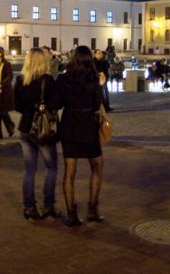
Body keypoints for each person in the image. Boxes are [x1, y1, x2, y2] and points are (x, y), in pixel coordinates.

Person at [55, 45, 105, 226]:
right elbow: (97, 104)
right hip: (88, 125)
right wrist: (100, 86)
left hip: (69, 125)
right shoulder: (93, 79)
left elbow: (57, 103)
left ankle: (71, 214)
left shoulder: (64, 78)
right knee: (97, 167)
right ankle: (93, 209)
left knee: (70, 171)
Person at [13, 48, 60, 220]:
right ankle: (48, 205)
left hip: (26, 128)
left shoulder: (20, 80)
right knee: (51, 168)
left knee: (29, 170)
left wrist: (30, 109)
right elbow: (56, 104)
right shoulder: (47, 80)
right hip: (43, 130)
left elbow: (17, 106)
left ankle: (29, 207)